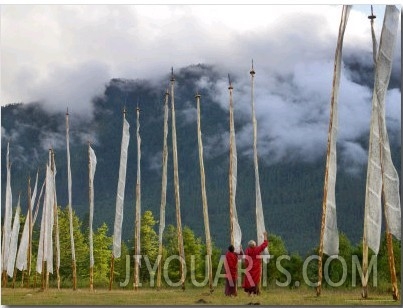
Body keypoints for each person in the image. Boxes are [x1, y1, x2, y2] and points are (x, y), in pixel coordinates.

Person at [242, 231, 269, 296]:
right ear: (254, 245)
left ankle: (249, 292)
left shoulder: (247, 250)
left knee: (249, 280)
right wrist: (265, 236)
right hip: (256, 268)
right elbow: (265, 244)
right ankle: (253, 293)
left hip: (249, 268)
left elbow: (245, 258)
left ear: (249, 245)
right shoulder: (257, 249)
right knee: (255, 280)